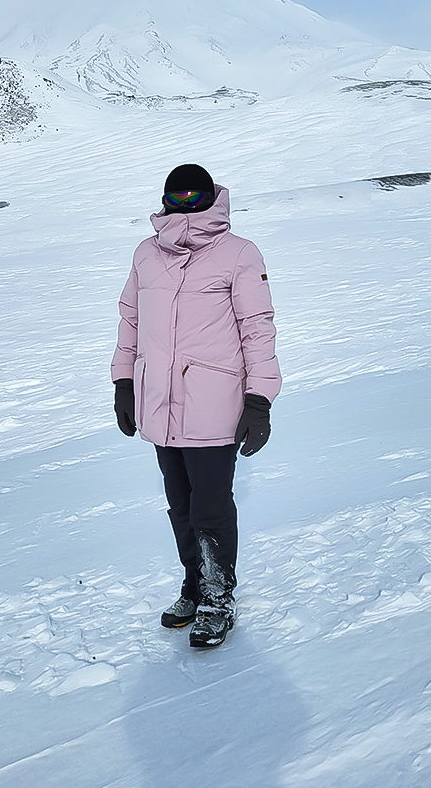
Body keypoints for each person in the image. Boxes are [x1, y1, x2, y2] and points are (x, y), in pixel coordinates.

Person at [111, 164, 281, 648]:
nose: (185, 204)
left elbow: (258, 328)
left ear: (211, 197)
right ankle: (194, 584)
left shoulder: (239, 254)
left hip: (214, 400)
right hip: (158, 401)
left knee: (210, 505)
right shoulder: (146, 254)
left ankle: (218, 597)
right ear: (165, 199)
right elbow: (130, 322)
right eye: (176, 196)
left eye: (195, 196)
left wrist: (259, 399)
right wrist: (124, 382)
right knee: (180, 503)